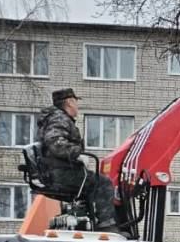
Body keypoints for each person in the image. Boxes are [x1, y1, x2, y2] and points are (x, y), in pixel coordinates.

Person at [36, 87, 119, 229]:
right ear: (69, 102)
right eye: (76, 101)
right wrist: (76, 154)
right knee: (103, 183)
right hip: (62, 173)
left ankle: (90, 219)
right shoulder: (59, 118)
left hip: (56, 171)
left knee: (93, 182)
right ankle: (107, 225)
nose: (77, 106)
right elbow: (55, 142)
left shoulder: (56, 118)